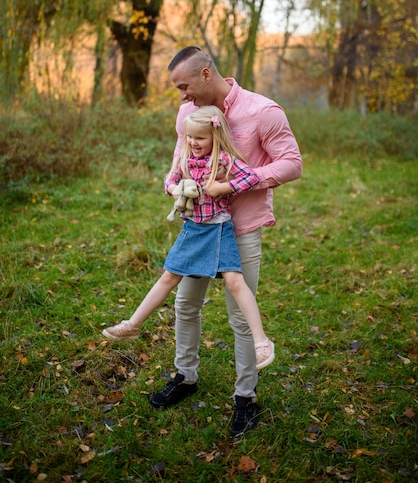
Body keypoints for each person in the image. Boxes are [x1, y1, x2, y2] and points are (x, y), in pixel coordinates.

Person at [146, 46, 302, 440]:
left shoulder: (264, 112)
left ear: (204, 75)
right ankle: (185, 376)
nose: (181, 96)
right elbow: (179, 159)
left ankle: (246, 398)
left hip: (241, 228)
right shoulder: (188, 114)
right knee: (185, 304)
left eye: (183, 86)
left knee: (239, 317)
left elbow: (292, 163)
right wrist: (174, 184)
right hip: (199, 228)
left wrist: (233, 184)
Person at [102, 105, 275, 372]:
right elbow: (168, 180)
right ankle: (132, 325)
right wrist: (176, 189)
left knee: (234, 281)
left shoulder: (224, 160)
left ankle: (261, 341)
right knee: (169, 276)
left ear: (214, 137)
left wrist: (223, 187)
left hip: (220, 229)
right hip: (193, 230)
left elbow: (251, 177)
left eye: (200, 138)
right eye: (190, 137)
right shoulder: (184, 158)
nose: (193, 142)